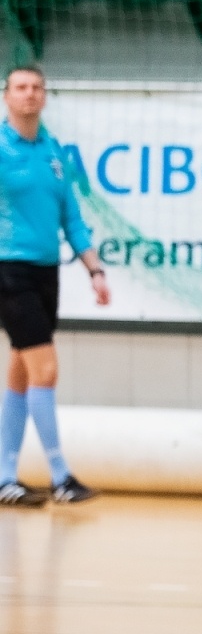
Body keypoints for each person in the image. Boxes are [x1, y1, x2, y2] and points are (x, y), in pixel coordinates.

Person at [0, 64, 111, 506]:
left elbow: (72, 219)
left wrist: (95, 270)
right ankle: (61, 477)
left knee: (22, 371)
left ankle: (5, 476)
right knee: (45, 369)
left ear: (45, 96)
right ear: (6, 96)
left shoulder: (54, 153)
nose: (29, 94)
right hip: (9, 270)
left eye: (36, 87)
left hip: (46, 273)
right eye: (20, 87)